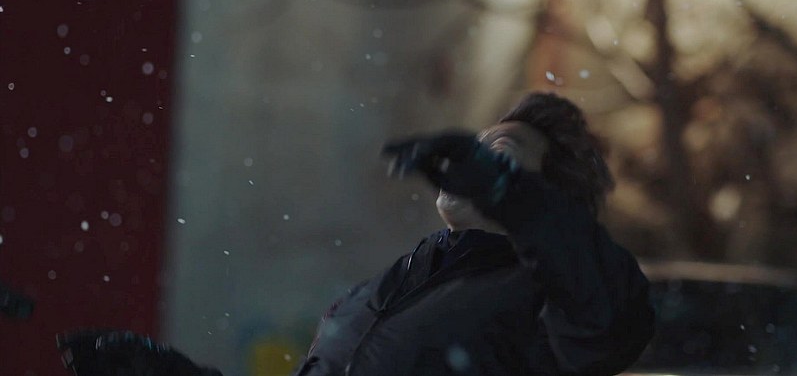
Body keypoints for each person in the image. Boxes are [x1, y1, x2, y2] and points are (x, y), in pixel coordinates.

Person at [57, 92, 655, 376]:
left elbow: (610, 314)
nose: (474, 160)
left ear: (550, 192)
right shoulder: (392, 285)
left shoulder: (547, 296)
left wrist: (508, 192)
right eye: (476, 149)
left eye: (500, 153)